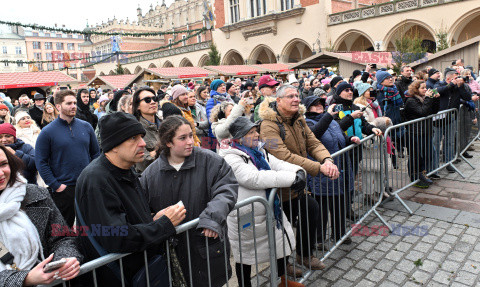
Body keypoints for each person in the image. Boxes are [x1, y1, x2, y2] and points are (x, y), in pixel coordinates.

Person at [76, 112, 186, 286]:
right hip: (116, 277)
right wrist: (164, 225)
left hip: (137, 271)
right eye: (133, 138)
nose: (143, 143)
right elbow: (117, 236)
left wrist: (152, 220)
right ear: (113, 145)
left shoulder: (125, 169)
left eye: (141, 137)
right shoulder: (96, 180)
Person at [141, 115, 238, 287]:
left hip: (206, 250)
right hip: (173, 258)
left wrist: (212, 218)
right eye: (182, 138)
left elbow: (226, 190)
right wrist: (154, 218)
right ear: (168, 142)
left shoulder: (211, 161)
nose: (190, 142)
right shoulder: (150, 174)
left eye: (191, 136)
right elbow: (141, 210)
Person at [259, 84, 339, 272]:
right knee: (282, 227)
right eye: (290, 96)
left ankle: (304, 255)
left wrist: (327, 159)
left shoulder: (299, 119)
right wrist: (319, 167)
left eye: (297, 95)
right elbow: (282, 155)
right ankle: (282, 266)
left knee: (311, 209)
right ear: (278, 101)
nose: (296, 99)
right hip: (279, 188)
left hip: (297, 183)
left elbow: (313, 142)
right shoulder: (268, 125)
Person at [219, 116, 304, 287]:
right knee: (245, 255)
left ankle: (282, 280)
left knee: (278, 243)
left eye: (256, 131)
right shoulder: (230, 156)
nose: (257, 134)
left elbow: (277, 163)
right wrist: (291, 179)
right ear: (239, 137)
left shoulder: (259, 150)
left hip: (267, 209)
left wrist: (298, 171)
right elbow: (253, 178)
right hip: (245, 213)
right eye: (251, 132)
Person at [0, 145, 82, 286]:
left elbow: (63, 237)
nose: (1, 173)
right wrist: (26, 279)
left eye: (3, 164)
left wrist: (64, 261)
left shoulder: (35, 195)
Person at [35, 90, 100, 226]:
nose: (73, 106)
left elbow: (96, 154)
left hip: (86, 185)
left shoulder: (86, 127)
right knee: (64, 229)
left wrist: (94, 178)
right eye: (69, 103)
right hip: (64, 189)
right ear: (58, 106)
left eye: (75, 103)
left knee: (92, 226)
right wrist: (56, 185)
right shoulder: (47, 132)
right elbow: (41, 161)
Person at [303, 96, 360, 246]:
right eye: (314, 105)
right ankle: (319, 239)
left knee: (339, 204)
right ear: (307, 108)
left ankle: (339, 234)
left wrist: (350, 139)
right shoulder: (307, 122)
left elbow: (339, 136)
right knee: (321, 207)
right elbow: (315, 134)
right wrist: (328, 115)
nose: (319, 106)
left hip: (339, 168)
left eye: (320, 103)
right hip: (322, 171)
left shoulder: (332, 121)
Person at [403, 80, 440, 188]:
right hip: (415, 133)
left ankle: (422, 174)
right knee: (415, 156)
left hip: (426, 132)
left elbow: (434, 111)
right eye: (422, 88)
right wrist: (429, 98)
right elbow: (422, 112)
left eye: (425, 87)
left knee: (427, 154)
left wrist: (436, 99)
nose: (425, 89)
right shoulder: (411, 100)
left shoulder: (424, 99)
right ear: (416, 90)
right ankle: (414, 177)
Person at [434, 70, 472, 172]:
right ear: (448, 79)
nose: (458, 79)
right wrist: (451, 84)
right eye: (456, 78)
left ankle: (449, 163)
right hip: (438, 119)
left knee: (449, 142)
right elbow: (436, 91)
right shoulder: (440, 83)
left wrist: (460, 86)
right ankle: (435, 165)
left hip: (451, 118)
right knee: (436, 142)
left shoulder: (458, 87)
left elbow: (468, 97)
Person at [132, 87, 161, 173]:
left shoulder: (165, 124)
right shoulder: (135, 129)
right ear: (137, 106)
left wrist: (154, 153)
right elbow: (143, 162)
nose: (153, 102)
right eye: (147, 100)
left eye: (155, 99)